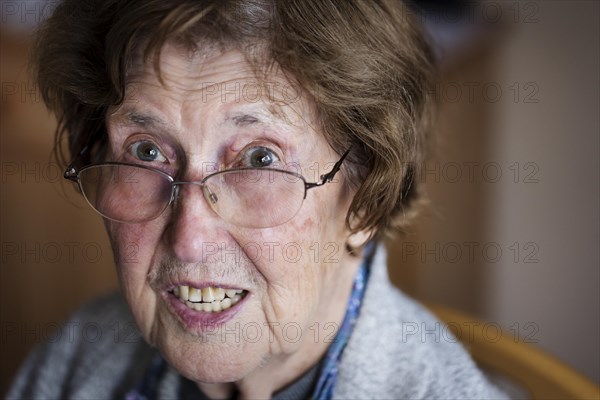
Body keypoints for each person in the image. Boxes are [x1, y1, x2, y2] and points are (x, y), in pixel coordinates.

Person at [8, 0, 507, 399]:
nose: (189, 242)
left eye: (260, 160)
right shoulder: (78, 358)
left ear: (367, 200)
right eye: (147, 150)